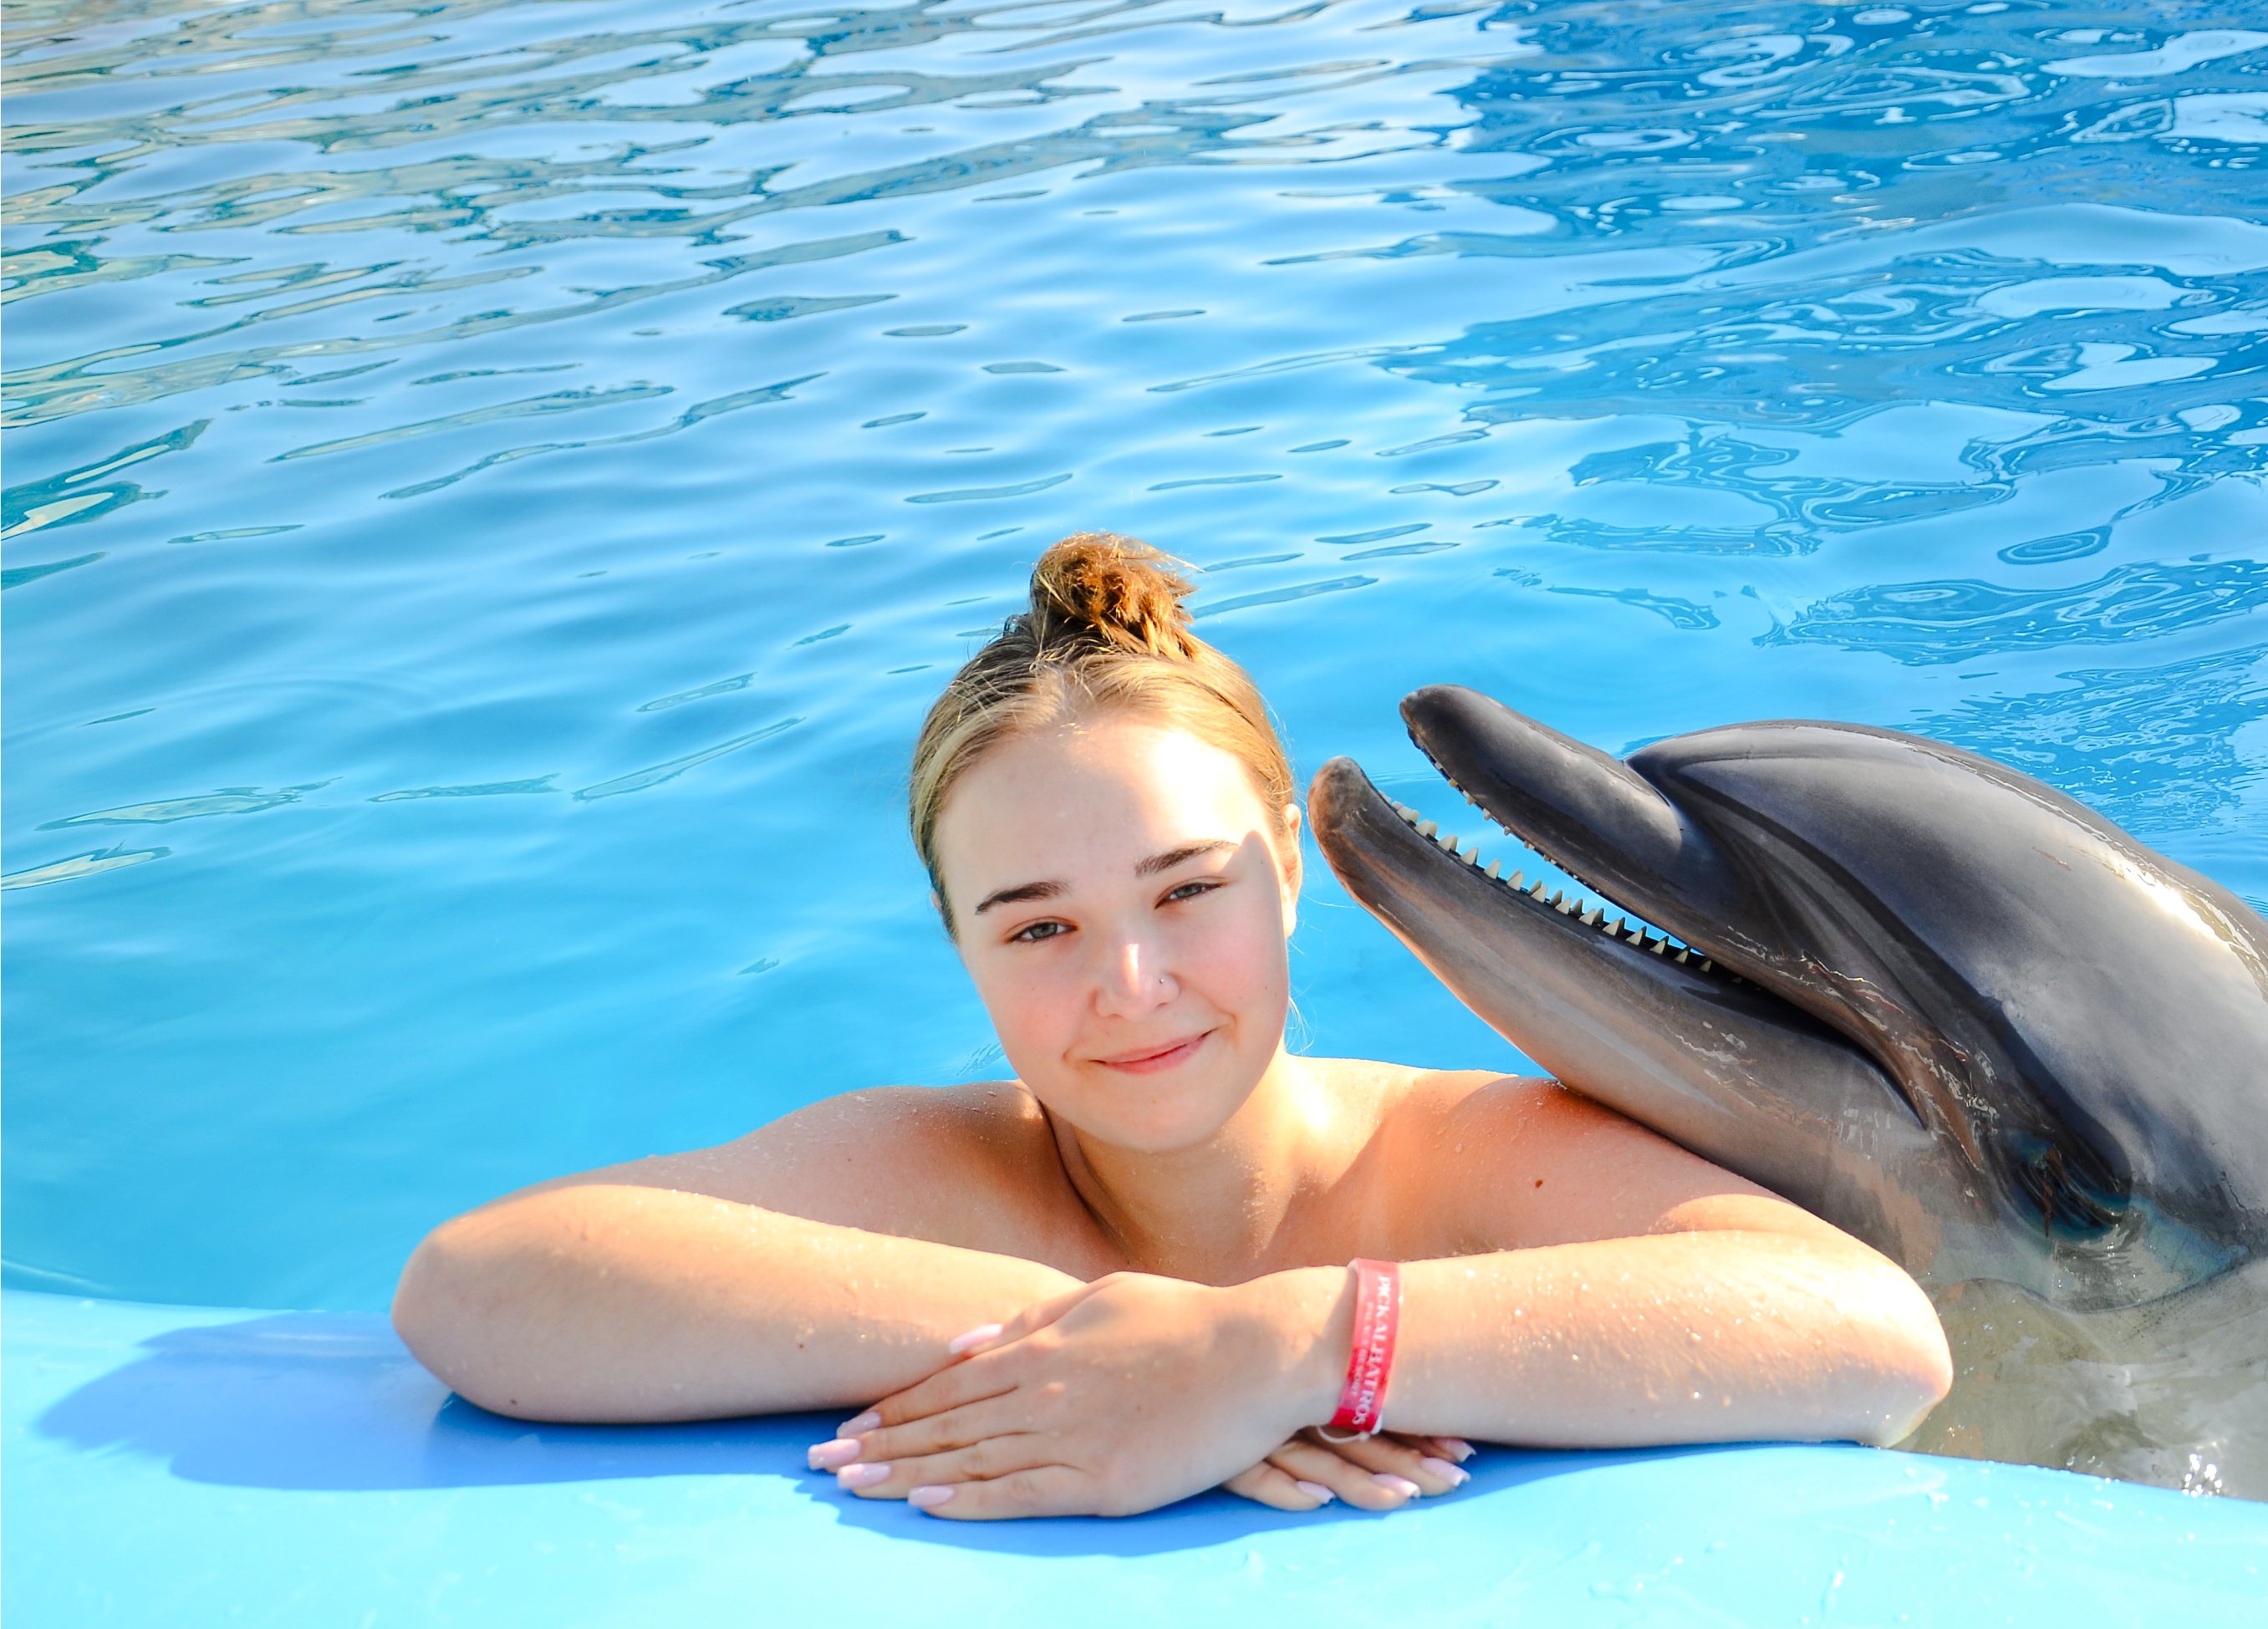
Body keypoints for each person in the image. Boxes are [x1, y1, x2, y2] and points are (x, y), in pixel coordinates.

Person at [393, 533, 1949, 1520]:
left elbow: (1873, 1340)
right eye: (1038, 927)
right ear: (960, 948)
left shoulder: (1468, 1155)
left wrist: (1284, 1346)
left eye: (1184, 891)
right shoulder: (934, 1171)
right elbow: (478, 1288)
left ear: (1286, 868)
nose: (1128, 985)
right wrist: (1093, 1345)